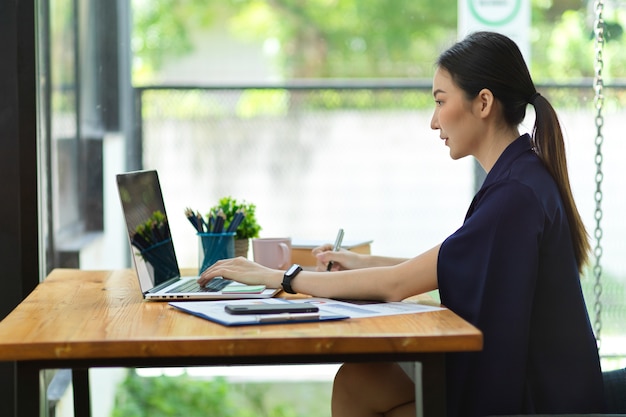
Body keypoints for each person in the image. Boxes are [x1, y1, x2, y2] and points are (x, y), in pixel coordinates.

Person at [198, 31, 606, 416]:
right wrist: (362, 264)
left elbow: (398, 284)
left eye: (440, 101)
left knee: (360, 384)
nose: (433, 121)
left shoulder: (515, 194)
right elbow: (449, 262)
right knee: (361, 381)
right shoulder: (521, 175)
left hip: (533, 399)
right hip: (532, 382)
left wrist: (277, 276)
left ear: (483, 103)